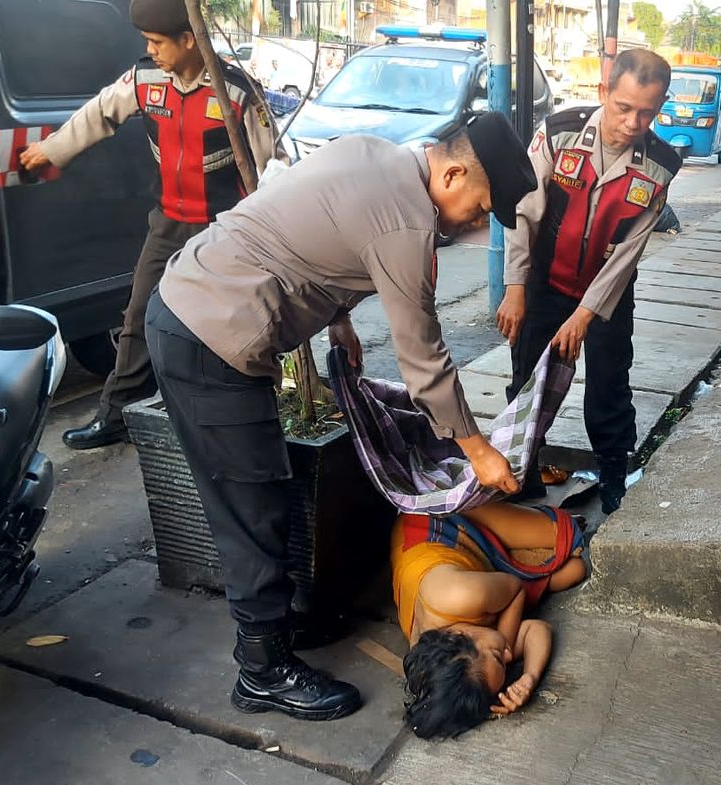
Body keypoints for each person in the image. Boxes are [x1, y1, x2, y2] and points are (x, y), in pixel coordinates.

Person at [144, 113, 536, 722]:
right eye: (482, 208)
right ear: (453, 173)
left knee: (265, 492)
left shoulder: (376, 154)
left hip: (197, 311)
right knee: (252, 508)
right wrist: (476, 448)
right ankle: (261, 672)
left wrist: (339, 315)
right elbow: (422, 357)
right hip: (207, 335)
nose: (477, 223)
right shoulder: (408, 222)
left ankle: (276, 631)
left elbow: (307, 228)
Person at [19, 0, 275, 450]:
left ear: (189, 40)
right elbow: (99, 113)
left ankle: (230, 425)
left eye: (157, 42)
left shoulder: (235, 91)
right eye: (147, 43)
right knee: (137, 318)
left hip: (224, 232)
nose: (151, 50)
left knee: (226, 329)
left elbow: (272, 166)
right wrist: (51, 151)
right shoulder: (144, 79)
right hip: (168, 224)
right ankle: (116, 417)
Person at [497, 49, 681, 515]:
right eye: (624, 107)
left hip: (607, 292)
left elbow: (627, 255)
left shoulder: (660, 165)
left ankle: (615, 474)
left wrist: (586, 314)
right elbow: (524, 212)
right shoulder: (559, 134)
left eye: (648, 112)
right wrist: (515, 287)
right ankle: (524, 471)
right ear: (604, 92)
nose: (633, 122)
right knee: (526, 380)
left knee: (609, 384)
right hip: (544, 282)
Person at [393, 502, 588, 739]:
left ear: (463, 635)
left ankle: (507, 515)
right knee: (575, 570)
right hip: (482, 575)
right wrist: (529, 678)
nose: (508, 655)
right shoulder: (450, 657)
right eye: (505, 663)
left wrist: (505, 638)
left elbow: (515, 589)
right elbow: (536, 630)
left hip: (440, 520)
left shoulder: (461, 596)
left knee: (567, 535)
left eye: (499, 655)